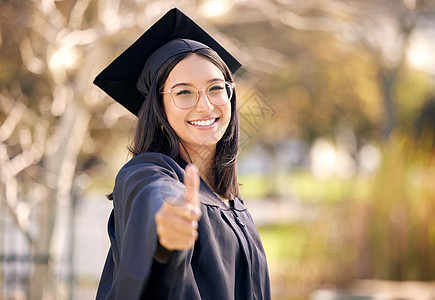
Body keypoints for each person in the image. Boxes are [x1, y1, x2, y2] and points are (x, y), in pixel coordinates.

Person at [94, 8, 271, 299]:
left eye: (216, 88)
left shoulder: (228, 197)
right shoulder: (145, 172)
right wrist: (163, 238)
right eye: (184, 92)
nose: (205, 105)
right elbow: (153, 194)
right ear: (158, 107)